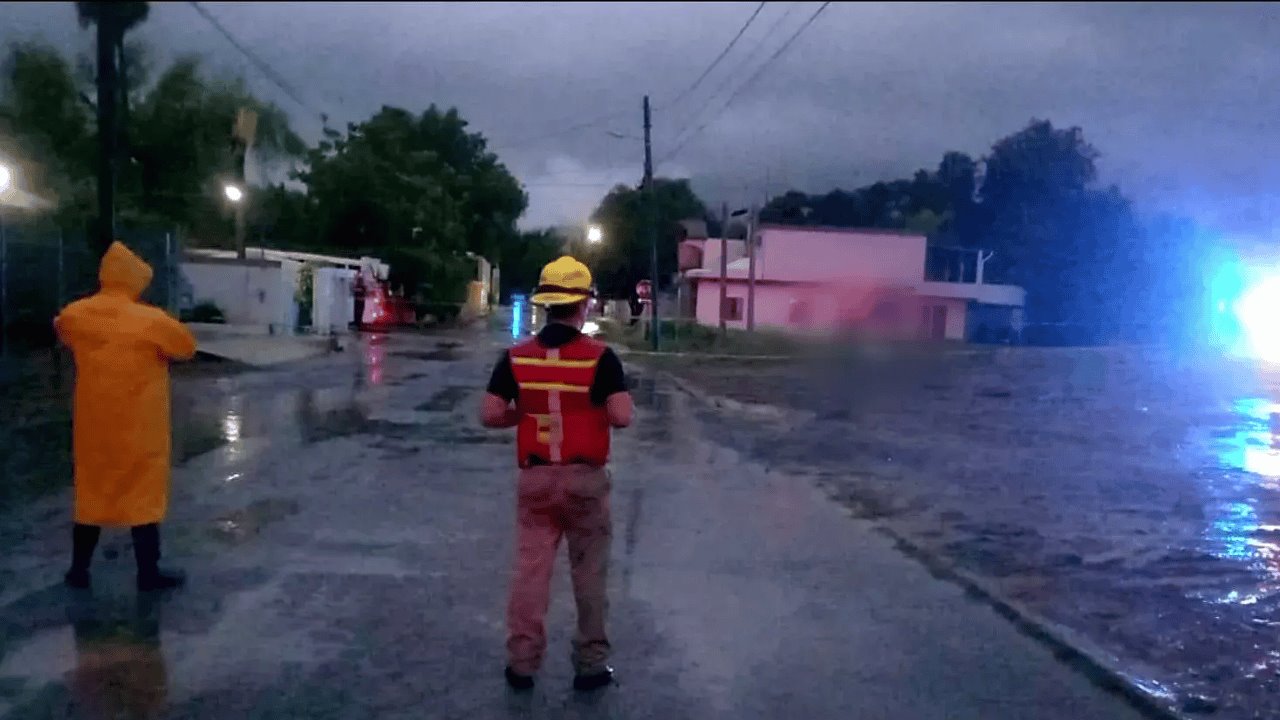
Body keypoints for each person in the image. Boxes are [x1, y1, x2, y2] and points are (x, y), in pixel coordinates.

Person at [480, 255, 634, 692]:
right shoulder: (600, 358)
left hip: (535, 479)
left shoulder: (516, 357)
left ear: (546, 302)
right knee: (589, 576)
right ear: (583, 303)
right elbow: (621, 417)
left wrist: (523, 416)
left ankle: (522, 664)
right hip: (585, 481)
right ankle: (590, 664)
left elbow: (490, 414)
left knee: (530, 574)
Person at [54, 241, 197, 592]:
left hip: (94, 424)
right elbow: (185, 347)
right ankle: (149, 572)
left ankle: (78, 570)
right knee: (142, 495)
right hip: (140, 425)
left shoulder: (77, 314)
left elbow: (61, 327)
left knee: (91, 491)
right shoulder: (150, 321)